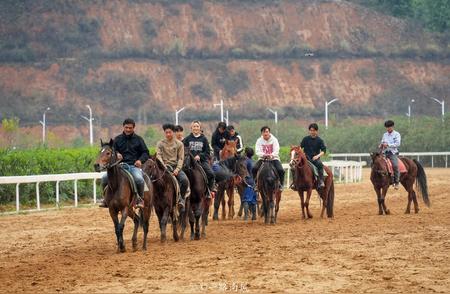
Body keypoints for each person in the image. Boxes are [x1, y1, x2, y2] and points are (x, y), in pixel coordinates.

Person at [100, 118, 148, 208]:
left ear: (134, 128)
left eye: (130, 128)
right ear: (123, 127)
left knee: (139, 179)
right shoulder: (117, 139)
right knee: (104, 179)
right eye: (126, 127)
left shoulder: (139, 139)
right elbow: (111, 152)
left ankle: (140, 199)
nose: (128, 130)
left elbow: (145, 152)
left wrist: (140, 160)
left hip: (133, 166)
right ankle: (105, 199)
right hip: (119, 167)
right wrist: (117, 154)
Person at [156, 123, 189, 209]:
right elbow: (158, 156)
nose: (168, 134)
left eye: (170, 132)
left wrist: (177, 170)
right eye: (166, 132)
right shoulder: (160, 143)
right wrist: (164, 166)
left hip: (175, 167)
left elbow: (181, 158)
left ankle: (181, 199)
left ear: (173, 133)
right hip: (163, 168)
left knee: (185, 180)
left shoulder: (179, 144)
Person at [183, 120, 216, 198]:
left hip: (201, 162)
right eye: (194, 126)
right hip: (189, 162)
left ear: (200, 128)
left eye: (197, 126)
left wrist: (200, 156)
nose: (196, 128)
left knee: (211, 174)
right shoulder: (187, 139)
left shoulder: (204, 139)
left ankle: (209, 191)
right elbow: (183, 150)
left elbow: (207, 152)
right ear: (191, 128)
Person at [300, 123, 327, 188]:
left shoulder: (320, 140)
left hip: (315, 159)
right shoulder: (305, 139)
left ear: (316, 131)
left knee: (320, 165)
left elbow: (323, 151)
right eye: (311, 130)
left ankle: (321, 181)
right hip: (306, 159)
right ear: (309, 131)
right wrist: (301, 153)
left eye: (313, 130)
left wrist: (317, 156)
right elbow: (300, 147)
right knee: (296, 165)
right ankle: (295, 182)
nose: (312, 132)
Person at [379, 120, 401, 189]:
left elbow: (397, 144)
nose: (388, 128)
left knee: (395, 165)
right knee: (376, 163)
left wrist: (388, 144)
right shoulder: (384, 135)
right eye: (387, 127)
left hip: (392, 153)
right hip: (384, 153)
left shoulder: (397, 134)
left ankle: (397, 182)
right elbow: (382, 142)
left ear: (392, 127)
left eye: (389, 127)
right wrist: (381, 145)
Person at [243, 147, 257, 221]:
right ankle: (254, 216)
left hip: (247, 181)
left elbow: (244, 171)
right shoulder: (254, 162)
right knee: (254, 200)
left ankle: (246, 216)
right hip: (254, 182)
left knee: (246, 199)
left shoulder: (245, 162)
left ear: (245, 153)